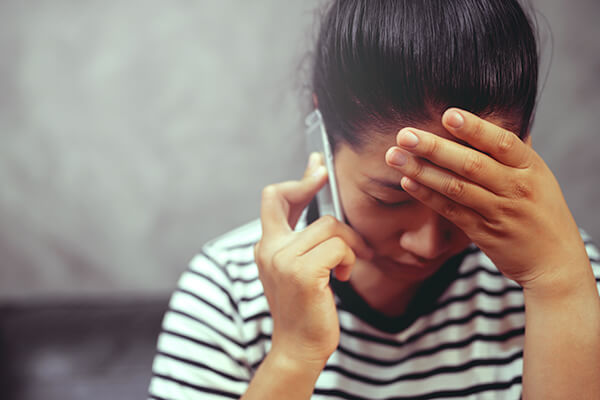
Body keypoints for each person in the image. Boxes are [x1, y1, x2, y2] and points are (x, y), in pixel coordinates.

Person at [148, 0, 600, 399]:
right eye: (390, 199)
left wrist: (559, 288)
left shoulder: (568, 274)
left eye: (462, 201)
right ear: (323, 135)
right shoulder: (227, 290)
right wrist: (293, 356)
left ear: (522, 148)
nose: (426, 244)